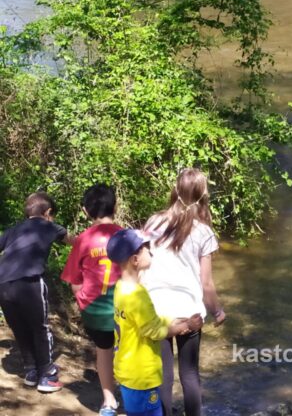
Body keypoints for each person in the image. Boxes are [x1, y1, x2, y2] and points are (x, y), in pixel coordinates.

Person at [141, 168, 226, 416]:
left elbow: (143, 265)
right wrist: (217, 311)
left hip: (157, 309)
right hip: (189, 312)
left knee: (164, 374)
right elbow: (206, 283)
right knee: (189, 374)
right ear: (203, 196)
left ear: (175, 190)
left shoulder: (153, 222)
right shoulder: (204, 232)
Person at [107, 229, 203, 416]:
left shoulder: (121, 288)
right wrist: (186, 327)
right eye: (146, 248)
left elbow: (143, 321)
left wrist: (171, 320)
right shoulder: (137, 295)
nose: (151, 252)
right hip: (142, 374)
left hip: (127, 368)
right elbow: (155, 332)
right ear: (135, 260)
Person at [0, 192, 72, 392]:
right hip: (30, 282)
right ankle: (47, 375)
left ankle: (31, 371)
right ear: (48, 212)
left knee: (20, 328)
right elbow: (75, 242)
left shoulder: (13, 230)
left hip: (3, 284)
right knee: (40, 328)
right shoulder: (50, 226)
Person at [61, 184, 122, 416]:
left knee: (103, 351)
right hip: (123, 310)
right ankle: (135, 395)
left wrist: (83, 302)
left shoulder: (83, 239)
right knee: (128, 351)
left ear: (86, 211)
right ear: (115, 207)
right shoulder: (125, 236)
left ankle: (108, 401)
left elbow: (74, 281)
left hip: (95, 311)